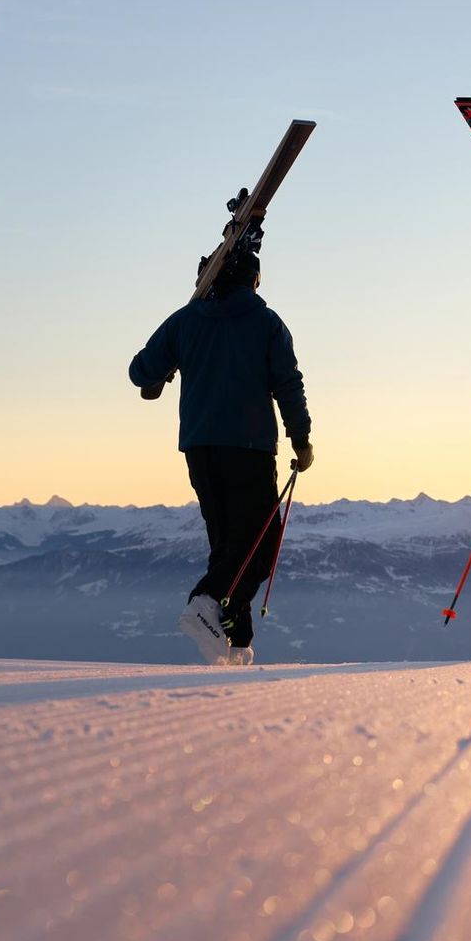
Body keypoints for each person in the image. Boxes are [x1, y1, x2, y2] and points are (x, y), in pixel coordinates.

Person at [129, 238, 312, 665]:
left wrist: (174, 362)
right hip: (248, 448)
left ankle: (236, 643)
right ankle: (205, 601)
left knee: (229, 546)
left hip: (199, 448)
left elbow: (140, 372)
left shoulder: (185, 321)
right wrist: (300, 439)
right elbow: (288, 384)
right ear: (253, 280)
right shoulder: (266, 323)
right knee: (259, 548)